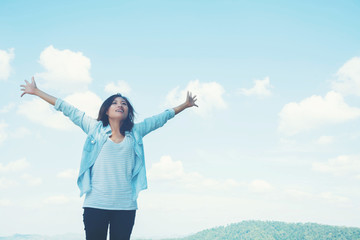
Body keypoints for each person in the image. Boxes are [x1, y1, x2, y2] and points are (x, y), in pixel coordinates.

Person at [20, 76, 198, 240]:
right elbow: (67, 109)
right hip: (95, 204)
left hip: (125, 206)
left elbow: (161, 118)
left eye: (124, 103)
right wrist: (36, 92)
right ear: (106, 110)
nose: (120, 105)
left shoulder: (135, 133)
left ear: (128, 111)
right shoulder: (94, 128)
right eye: (114, 103)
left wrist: (185, 105)